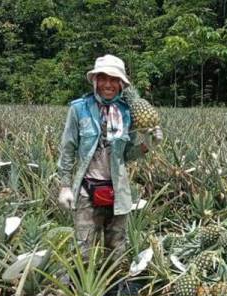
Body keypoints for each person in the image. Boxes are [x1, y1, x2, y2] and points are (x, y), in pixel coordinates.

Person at [57, 54, 163, 262]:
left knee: (117, 249)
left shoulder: (126, 112)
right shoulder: (78, 108)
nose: (108, 84)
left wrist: (148, 145)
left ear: (121, 84)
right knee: (84, 248)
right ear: (95, 80)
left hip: (117, 190)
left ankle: (115, 290)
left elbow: (127, 154)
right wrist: (64, 185)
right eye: (103, 78)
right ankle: (84, 289)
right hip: (87, 190)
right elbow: (68, 147)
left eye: (114, 79)